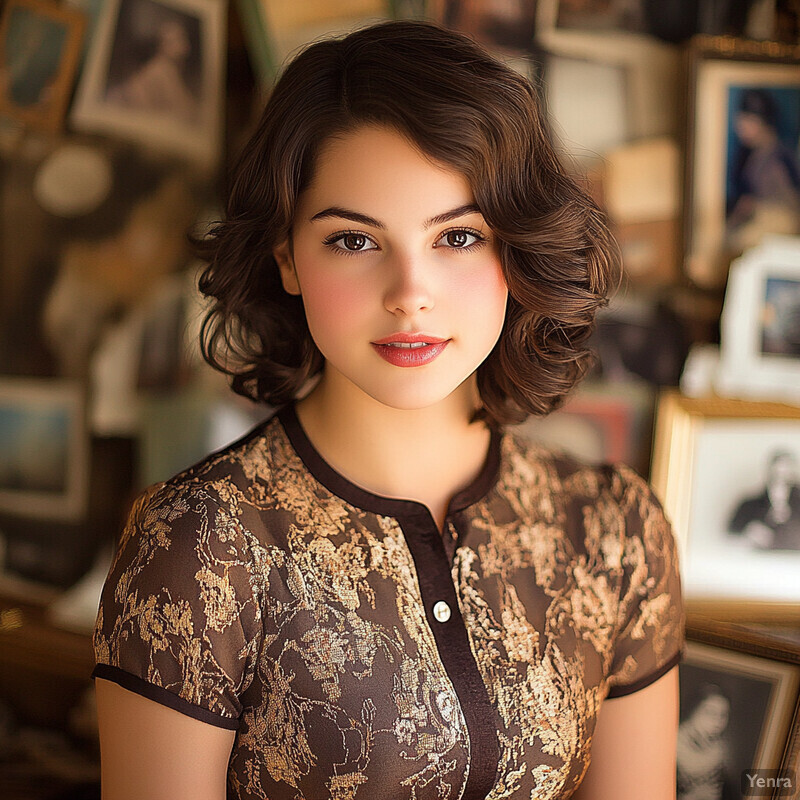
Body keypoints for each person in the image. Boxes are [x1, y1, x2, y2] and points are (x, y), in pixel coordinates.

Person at [92, 20, 685, 800]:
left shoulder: (615, 531)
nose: (410, 292)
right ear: (287, 259)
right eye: (354, 241)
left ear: (517, 250)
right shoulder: (199, 549)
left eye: (460, 236)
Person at [729, 450, 800, 551]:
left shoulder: (797, 502)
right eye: (778, 467)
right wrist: (749, 531)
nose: (782, 471)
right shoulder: (749, 504)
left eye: (786, 467)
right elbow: (732, 531)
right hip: (761, 561)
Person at [676, 685, 732, 800]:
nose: (717, 721)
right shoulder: (673, 743)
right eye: (710, 713)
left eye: (723, 715)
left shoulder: (718, 749)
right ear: (693, 710)